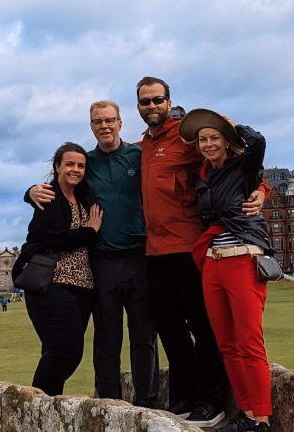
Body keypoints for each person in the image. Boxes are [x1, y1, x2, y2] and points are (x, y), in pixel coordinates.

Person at [136, 76, 269, 428]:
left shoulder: (187, 138)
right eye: (145, 101)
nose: (151, 106)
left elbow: (238, 165)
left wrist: (262, 191)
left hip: (190, 245)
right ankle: (186, 395)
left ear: (169, 101)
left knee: (204, 327)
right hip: (155, 250)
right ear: (138, 107)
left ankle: (212, 401)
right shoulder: (142, 146)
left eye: (157, 100)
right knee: (169, 327)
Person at [28, 100, 160, 407]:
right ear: (91, 126)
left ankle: (146, 402)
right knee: (106, 338)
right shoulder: (85, 163)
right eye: (98, 121)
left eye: (110, 120)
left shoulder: (138, 155)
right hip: (103, 260)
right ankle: (109, 402)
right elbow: (59, 187)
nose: (105, 125)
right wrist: (32, 191)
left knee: (144, 335)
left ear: (120, 123)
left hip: (140, 255)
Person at [181, 109, 273, 432]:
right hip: (213, 261)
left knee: (249, 341)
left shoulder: (243, 168)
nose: (208, 144)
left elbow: (258, 142)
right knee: (227, 344)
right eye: (203, 139)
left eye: (214, 138)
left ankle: (261, 419)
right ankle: (246, 412)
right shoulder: (204, 176)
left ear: (226, 141)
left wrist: (234, 125)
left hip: (242, 257)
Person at [13, 142, 103, 396]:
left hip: (83, 286)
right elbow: (55, 238)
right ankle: (35, 405)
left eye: (81, 165)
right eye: (69, 164)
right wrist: (89, 232)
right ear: (57, 167)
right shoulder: (48, 196)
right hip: (51, 284)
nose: (75, 169)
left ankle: (47, 408)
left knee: (56, 352)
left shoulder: (84, 196)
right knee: (66, 352)